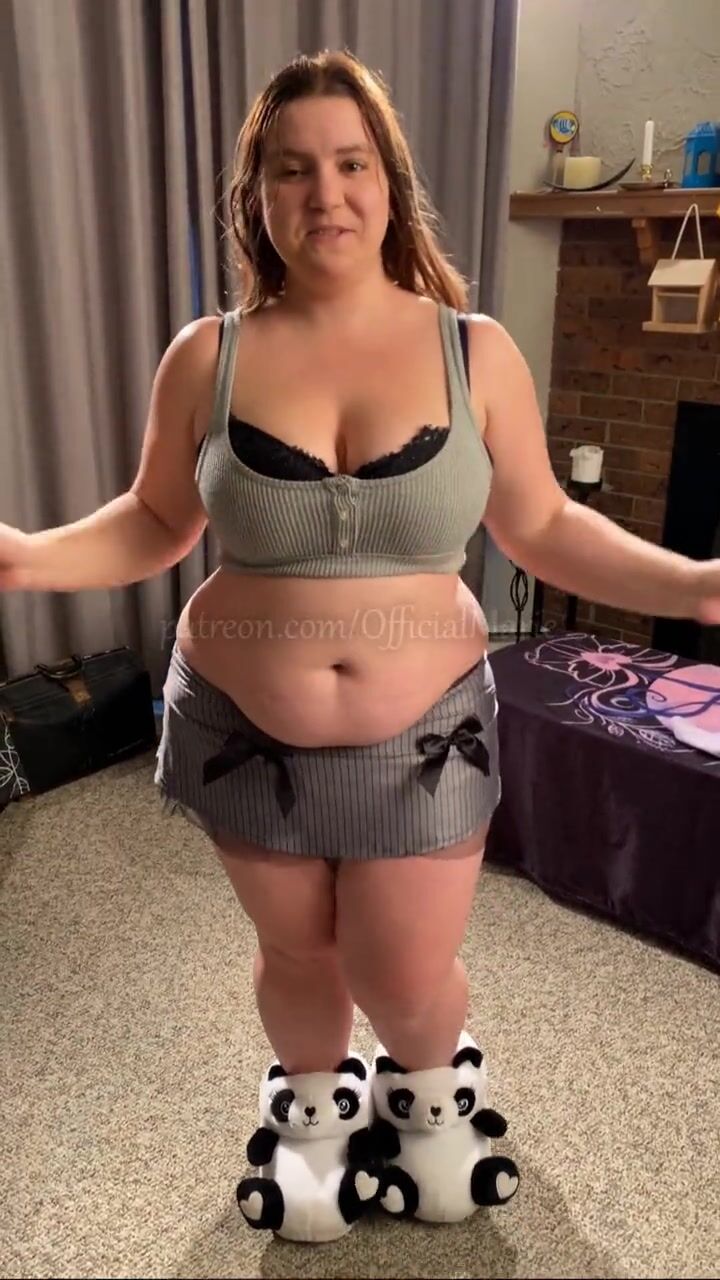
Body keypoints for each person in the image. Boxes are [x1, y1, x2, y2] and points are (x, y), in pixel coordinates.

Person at [2, 50, 719, 1237]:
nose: (325, 193)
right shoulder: (209, 354)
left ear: (389, 183)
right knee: (297, 950)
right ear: (258, 196)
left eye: (350, 164)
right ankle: (314, 1117)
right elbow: (154, 520)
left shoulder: (473, 350)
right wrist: (27, 557)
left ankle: (432, 1092)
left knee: (398, 966)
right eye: (293, 170)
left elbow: (541, 523)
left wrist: (692, 582)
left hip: (425, 733)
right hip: (240, 728)